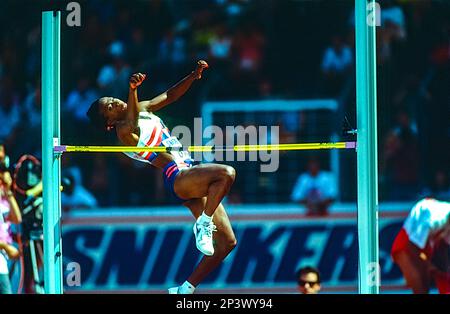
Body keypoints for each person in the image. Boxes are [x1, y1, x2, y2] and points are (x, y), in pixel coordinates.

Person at [86, 60, 237, 294]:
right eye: (109, 108)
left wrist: (192, 76)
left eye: (111, 99)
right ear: (109, 123)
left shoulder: (143, 109)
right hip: (178, 176)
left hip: (190, 171)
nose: (114, 102)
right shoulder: (123, 132)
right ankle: (203, 223)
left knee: (227, 243)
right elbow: (132, 122)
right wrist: (133, 90)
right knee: (226, 173)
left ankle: (185, 289)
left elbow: (169, 95)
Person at [391, 198, 450, 294]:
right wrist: (428, 264)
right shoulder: (433, 220)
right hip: (407, 247)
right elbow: (411, 247)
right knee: (421, 289)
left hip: (428, 247)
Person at [0, 143, 22, 294]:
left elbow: (16, 218)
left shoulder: (3, 192)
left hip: (5, 255)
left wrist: (8, 190)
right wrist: (6, 247)